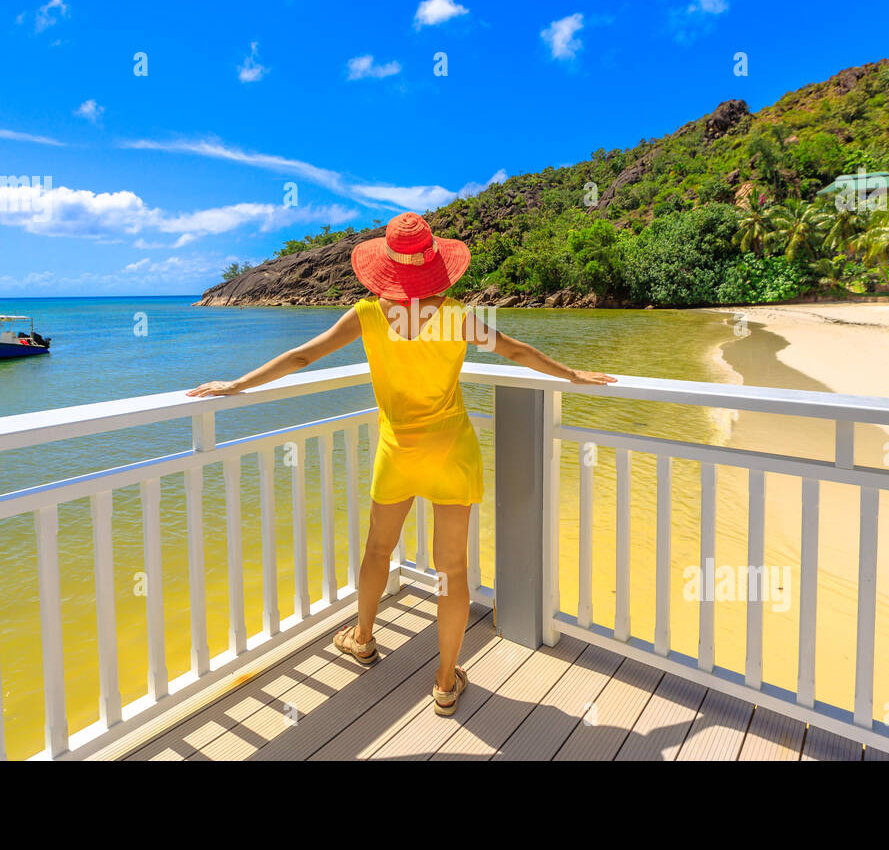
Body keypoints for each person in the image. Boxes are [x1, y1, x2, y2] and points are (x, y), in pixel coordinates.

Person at [187, 212, 615, 715]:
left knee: (377, 550)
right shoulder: (456, 316)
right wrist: (570, 374)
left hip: (398, 452)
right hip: (452, 451)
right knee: (453, 573)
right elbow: (516, 352)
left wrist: (236, 385)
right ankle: (443, 681)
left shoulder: (369, 314)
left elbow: (302, 357)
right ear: (435, 264)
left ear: (385, 267)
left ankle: (363, 638)